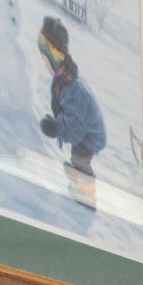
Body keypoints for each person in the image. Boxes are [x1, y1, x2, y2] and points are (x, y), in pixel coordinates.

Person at [36, 14, 105, 206]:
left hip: (91, 134)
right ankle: (77, 176)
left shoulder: (71, 89)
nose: (43, 63)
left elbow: (75, 128)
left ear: (53, 55)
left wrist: (56, 127)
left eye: (45, 58)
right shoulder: (65, 77)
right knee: (77, 157)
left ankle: (87, 196)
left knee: (80, 158)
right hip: (86, 127)